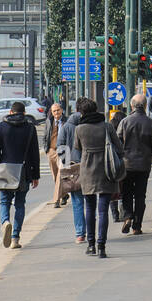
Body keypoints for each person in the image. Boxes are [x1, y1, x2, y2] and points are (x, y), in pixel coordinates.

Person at [72, 98, 124, 257]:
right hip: (106, 170)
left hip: (87, 171)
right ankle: (102, 247)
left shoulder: (79, 129)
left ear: (82, 112)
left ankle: (91, 245)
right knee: (103, 211)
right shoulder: (107, 126)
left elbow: (77, 148)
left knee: (89, 208)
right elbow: (119, 147)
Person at [0, 100, 40, 249]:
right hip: (24, 171)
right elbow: (34, 153)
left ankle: (5, 222)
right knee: (20, 204)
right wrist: (35, 175)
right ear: (24, 113)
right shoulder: (30, 128)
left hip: (6, 169)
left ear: (11, 112)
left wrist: (1, 162)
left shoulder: (2, 126)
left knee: (5, 202)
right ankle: (15, 238)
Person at [116, 93, 152, 235]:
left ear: (132, 105)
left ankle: (128, 216)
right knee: (141, 195)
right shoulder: (151, 123)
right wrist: (150, 154)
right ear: (146, 105)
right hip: (144, 164)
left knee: (127, 193)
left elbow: (117, 142)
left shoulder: (124, 121)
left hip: (127, 164)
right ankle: (137, 226)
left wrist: (123, 155)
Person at [57, 98, 87, 243]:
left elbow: (61, 146)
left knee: (77, 202)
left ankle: (80, 233)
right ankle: (92, 231)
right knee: (92, 201)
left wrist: (68, 163)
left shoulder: (66, 126)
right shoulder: (89, 125)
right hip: (90, 168)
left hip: (74, 168)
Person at [43, 101, 68, 207]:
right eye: (54, 111)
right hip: (52, 151)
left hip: (64, 150)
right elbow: (45, 136)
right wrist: (47, 149)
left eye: (58, 110)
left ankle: (56, 200)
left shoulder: (67, 121)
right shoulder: (49, 121)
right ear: (51, 112)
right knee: (55, 175)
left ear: (62, 110)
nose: (56, 112)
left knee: (61, 175)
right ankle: (64, 194)